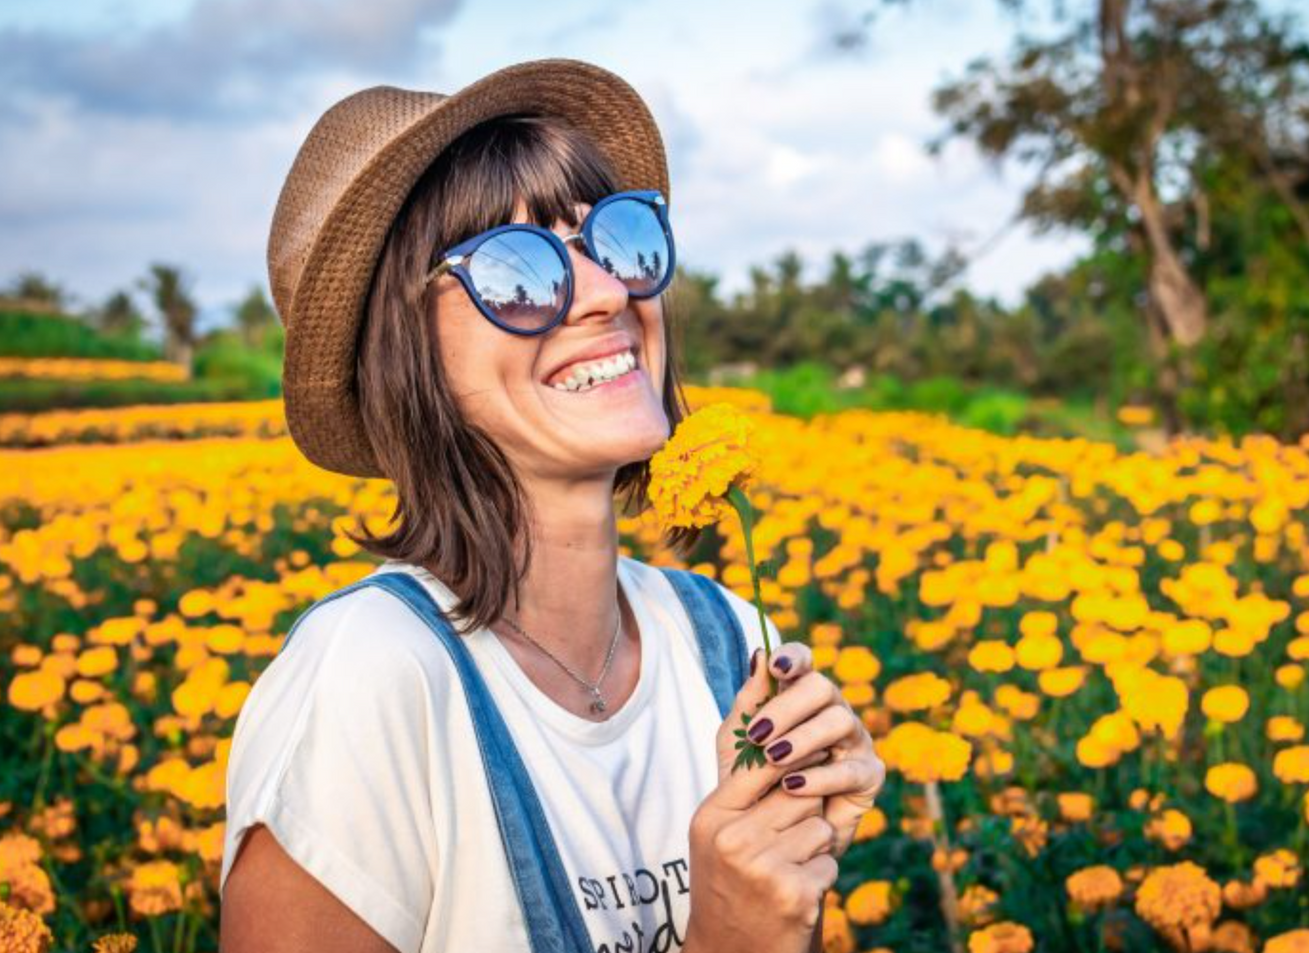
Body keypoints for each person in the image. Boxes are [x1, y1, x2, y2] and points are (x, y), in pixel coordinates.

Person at [217, 58, 885, 953]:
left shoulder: (729, 639)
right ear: (404, 356)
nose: (609, 293)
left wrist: (785, 886)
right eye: (516, 270)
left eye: (614, 240)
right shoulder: (373, 677)